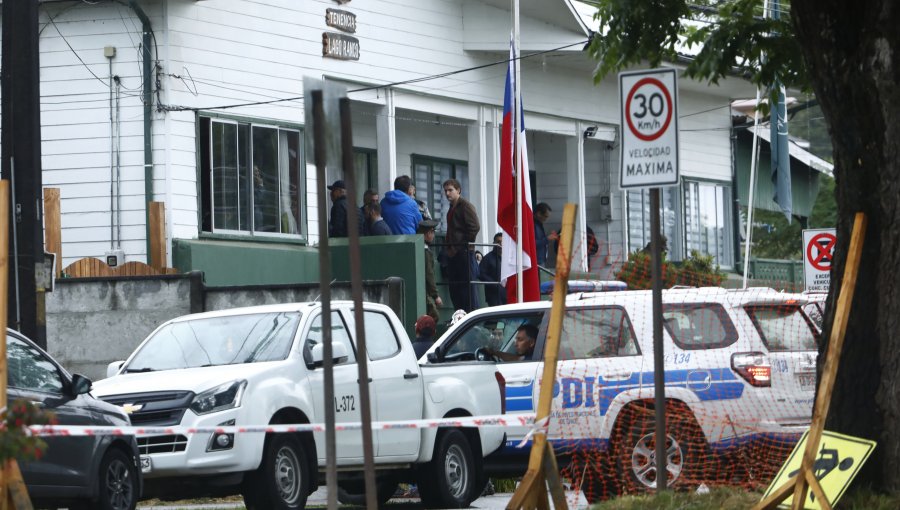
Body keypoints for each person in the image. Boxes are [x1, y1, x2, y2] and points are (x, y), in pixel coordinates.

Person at [443, 178, 481, 312]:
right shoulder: (452, 208)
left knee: (468, 290)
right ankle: (460, 316)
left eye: (450, 190)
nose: (447, 193)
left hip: (464, 253)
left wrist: (462, 246)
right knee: (456, 289)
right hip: (454, 254)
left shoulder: (465, 206)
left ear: (458, 190)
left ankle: (471, 316)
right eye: (446, 190)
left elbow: (475, 227)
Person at [418, 219, 442, 322]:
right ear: (426, 234)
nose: (432, 235)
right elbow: (429, 274)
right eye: (431, 232)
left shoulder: (422, 249)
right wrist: (435, 296)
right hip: (426, 292)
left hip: (424, 291)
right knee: (434, 317)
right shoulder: (426, 252)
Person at [479, 233, 507, 307]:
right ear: (494, 243)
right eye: (498, 242)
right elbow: (481, 274)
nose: (500, 244)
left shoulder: (509, 258)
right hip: (493, 295)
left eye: (502, 242)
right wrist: (495, 284)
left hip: (507, 293)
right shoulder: (487, 258)